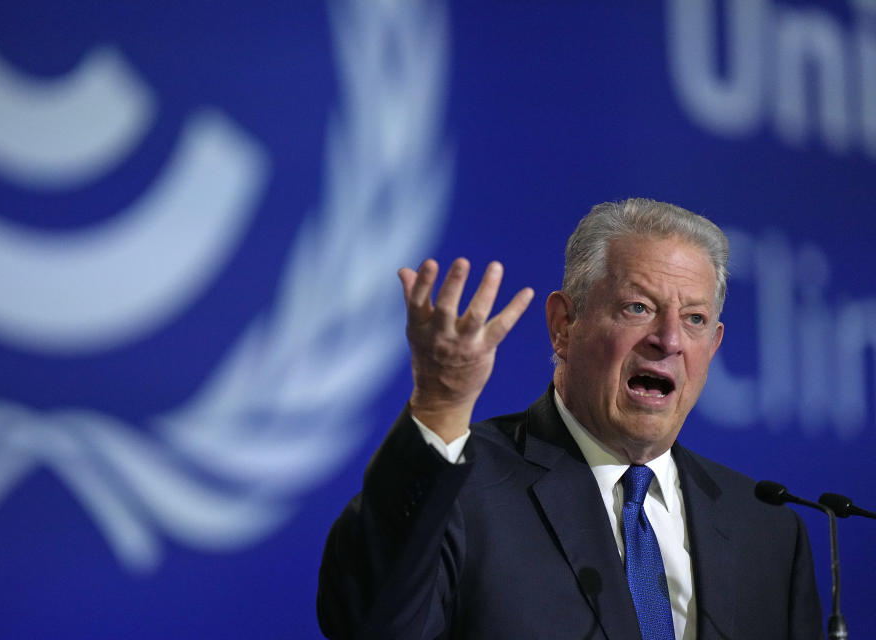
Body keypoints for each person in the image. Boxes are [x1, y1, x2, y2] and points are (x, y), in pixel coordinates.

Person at [317, 198, 824, 639]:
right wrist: (439, 403)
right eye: (638, 307)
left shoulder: (767, 529)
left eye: (694, 319)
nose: (668, 340)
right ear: (565, 325)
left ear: (712, 347)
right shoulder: (466, 488)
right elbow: (372, 622)